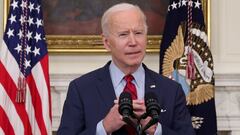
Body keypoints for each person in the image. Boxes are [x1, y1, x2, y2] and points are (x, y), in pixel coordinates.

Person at [57, 3, 195, 135]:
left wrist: (155, 130)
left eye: (138, 33)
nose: (133, 42)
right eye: (123, 34)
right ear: (107, 42)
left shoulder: (171, 89)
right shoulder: (81, 89)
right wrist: (104, 127)